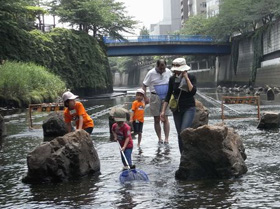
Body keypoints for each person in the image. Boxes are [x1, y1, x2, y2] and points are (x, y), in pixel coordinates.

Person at [160, 58, 197, 154]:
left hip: (189, 108)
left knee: (184, 131)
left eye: (178, 69)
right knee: (179, 134)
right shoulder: (172, 79)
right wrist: (163, 111)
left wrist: (186, 78)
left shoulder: (191, 77)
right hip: (177, 109)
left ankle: (188, 153)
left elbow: (192, 92)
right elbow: (168, 95)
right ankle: (183, 156)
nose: (176, 71)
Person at [142, 59, 172, 144]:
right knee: (156, 118)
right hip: (155, 96)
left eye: (164, 68)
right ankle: (159, 138)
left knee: (165, 117)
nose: (162, 70)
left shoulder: (168, 72)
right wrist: (145, 97)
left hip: (166, 96)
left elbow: (172, 83)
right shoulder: (151, 73)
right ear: (157, 66)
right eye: (160, 68)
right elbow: (144, 85)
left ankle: (166, 138)